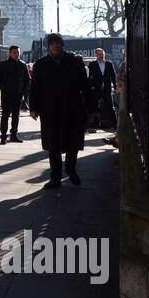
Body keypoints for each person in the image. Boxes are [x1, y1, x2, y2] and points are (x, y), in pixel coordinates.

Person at [29, 32, 98, 188]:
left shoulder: (75, 61)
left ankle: (71, 169)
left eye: (57, 43)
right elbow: (35, 88)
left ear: (62, 45)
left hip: (73, 108)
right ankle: (55, 177)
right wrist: (33, 107)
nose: (54, 46)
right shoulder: (41, 64)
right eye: (52, 44)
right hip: (50, 110)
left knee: (73, 143)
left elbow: (85, 87)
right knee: (53, 145)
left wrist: (92, 109)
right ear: (48, 46)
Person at [0, 45, 30, 144]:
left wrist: (24, 93)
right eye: (14, 52)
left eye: (18, 52)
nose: (16, 54)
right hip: (6, 94)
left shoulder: (23, 65)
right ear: (9, 53)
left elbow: (27, 80)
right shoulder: (3, 64)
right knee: (5, 115)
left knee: (16, 116)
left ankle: (14, 135)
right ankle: (3, 136)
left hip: (18, 95)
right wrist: (4, 88)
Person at [88, 48, 118, 130]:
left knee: (111, 107)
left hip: (106, 89)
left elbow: (113, 76)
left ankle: (115, 125)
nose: (101, 56)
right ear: (96, 55)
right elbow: (90, 77)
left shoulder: (109, 64)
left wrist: (115, 87)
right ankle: (95, 125)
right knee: (94, 107)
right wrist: (90, 87)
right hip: (96, 89)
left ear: (104, 54)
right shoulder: (92, 64)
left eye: (102, 54)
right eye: (99, 54)